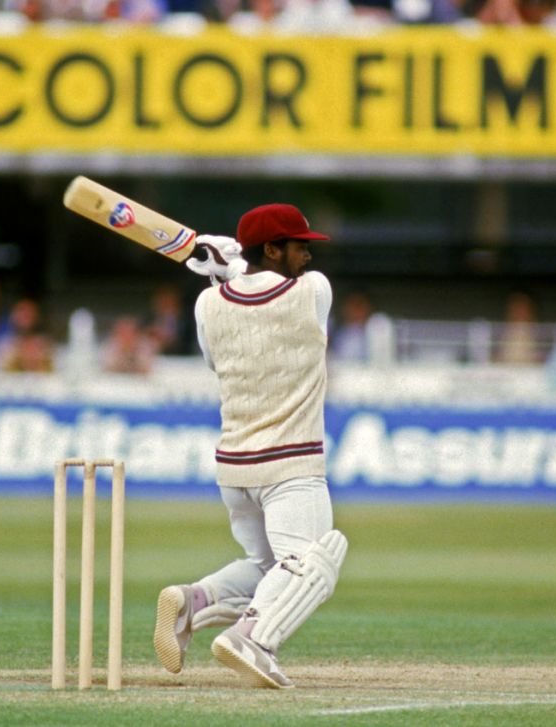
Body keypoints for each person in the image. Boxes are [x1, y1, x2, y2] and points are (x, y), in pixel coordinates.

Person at [153, 203, 348, 690]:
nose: (307, 256)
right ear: (272, 248)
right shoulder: (314, 293)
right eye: (299, 246)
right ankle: (253, 640)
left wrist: (222, 278)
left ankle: (194, 601)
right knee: (314, 560)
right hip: (291, 464)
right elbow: (277, 294)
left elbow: (214, 360)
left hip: (235, 469)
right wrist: (231, 268)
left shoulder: (206, 305)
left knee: (269, 569)